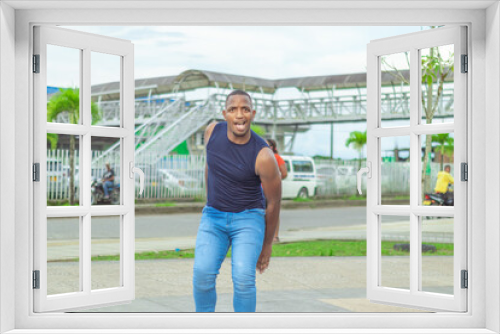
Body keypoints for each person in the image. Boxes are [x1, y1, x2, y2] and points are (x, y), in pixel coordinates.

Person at [193, 89, 282, 313]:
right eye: (233, 109)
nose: (239, 115)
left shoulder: (263, 156)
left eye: (245, 109)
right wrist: (210, 200)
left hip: (248, 218)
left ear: (253, 113)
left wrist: (267, 245)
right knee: (202, 274)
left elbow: (274, 204)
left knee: (243, 277)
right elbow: (210, 165)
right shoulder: (212, 132)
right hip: (214, 216)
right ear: (225, 114)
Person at [266, 138, 287, 243]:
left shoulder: (277, 158)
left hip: (272, 189)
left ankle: (275, 236)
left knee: (274, 211)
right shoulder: (260, 156)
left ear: (273, 147)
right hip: (260, 189)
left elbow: (284, 173)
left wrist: (274, 181)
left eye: (268, 145)